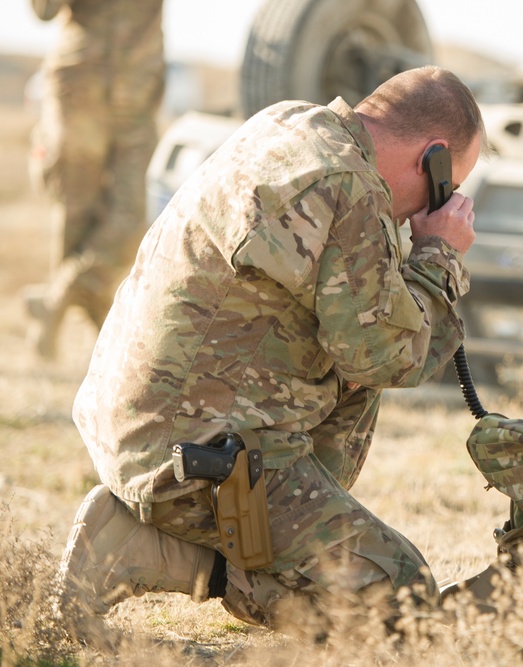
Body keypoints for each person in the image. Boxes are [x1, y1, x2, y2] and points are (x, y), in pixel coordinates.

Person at [55, 65, 488, 642]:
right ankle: (153, 551)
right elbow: (389, 355)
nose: (440, 202)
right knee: (399, 602)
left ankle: (175, 541)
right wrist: (439, 256)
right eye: (449, 184)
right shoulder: (348, 186)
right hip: (196, 460)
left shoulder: (287, 125)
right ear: (432, 159)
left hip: (149, 430)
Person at [24, 0, 165, 359]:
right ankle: (99, 342)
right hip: (80, 86)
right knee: (77, 212)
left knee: (132, 219)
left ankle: (55, 298)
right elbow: (43, 11)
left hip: (137, 93)